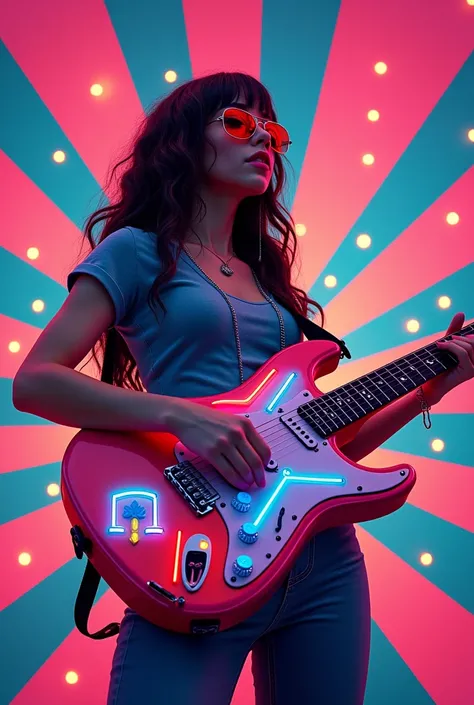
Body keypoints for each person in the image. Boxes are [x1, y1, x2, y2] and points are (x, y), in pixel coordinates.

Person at [12, 72, 474, 705]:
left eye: (273, 129)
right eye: (236, 122)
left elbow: (327, 448)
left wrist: (429, 387)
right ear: (182, 142)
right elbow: (35, 381)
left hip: (323, 562)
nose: (263, 138)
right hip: (193, 552)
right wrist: (183, 418)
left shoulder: (272, 284)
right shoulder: (137, 253)